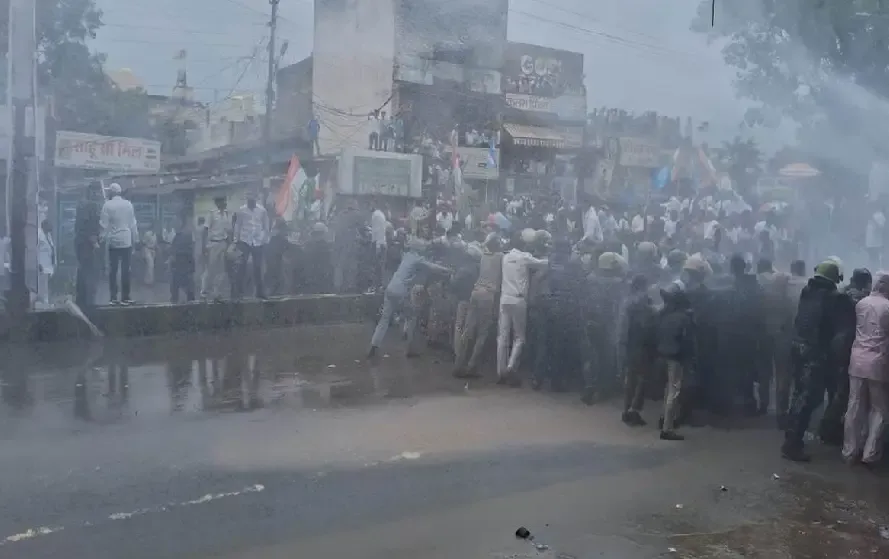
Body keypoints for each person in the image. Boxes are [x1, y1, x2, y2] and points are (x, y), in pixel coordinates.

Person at [782, 260, 844, 462]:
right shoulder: (833, 298)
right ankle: (792, 444)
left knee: (799, 394)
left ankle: (791, 438)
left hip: (797, 348)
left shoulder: (807, 292)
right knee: (810, 398)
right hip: (815, 353)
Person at [368, 238, 451, 358]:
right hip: (400, 291)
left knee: (384, 319)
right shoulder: (417, 259)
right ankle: (410, 347)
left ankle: (374, 346)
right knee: (412, 316)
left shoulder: (407, 255)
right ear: (419, 249)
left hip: (390, 288)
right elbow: (433, 267)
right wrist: (448, 270)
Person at [820, 267, 872, 445]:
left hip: (833, 343)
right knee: (844, 392)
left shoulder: (840, 292)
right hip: (848, 346)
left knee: (837, 389)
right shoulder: (860, 299)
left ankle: (830, 426)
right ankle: (828, 428)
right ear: (865, 282)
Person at [842, 273, 889, 467]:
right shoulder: (887, 307)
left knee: (854, 407)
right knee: (879, 410)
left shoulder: (861, 303)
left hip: (857, 360)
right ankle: (870, 453)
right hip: (878, 363)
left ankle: (849, 451)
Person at [497, 233, 548, 384]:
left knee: (502, 337)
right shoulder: (524, 257)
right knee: (519, 337)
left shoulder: (505, 257)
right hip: (519, 300)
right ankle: (511, 367)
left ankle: (500, 372)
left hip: (504, 298)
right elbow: (542, 263)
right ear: (524, 245)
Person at [453, 234, 503, 378]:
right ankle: (471, 366)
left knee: (468, 331)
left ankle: (458, 364)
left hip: (475, 293)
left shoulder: (483, 256)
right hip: (488, 296)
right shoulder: (500, 257)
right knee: (482, 333)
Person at [656, 282, 695, 441]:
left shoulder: (663, 315)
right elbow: (687, 341)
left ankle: (663, 419)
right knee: (674, 392)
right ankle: (667, 429)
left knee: (667, 390)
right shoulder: (684, 318)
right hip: (676, 358)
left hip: (662, 355)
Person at [618, 274, 657, 426]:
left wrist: (621, 344)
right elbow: (650, 323)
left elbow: (622, 326)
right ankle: (634, 410)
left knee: (630, 378)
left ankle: (626, 409)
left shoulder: (627, 301)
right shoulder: (645, 303)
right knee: (642, 379)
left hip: (629, 344)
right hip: (642, 346)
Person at [100, 182, 138, 305]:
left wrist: (100, 239)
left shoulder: (107, 205)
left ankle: (113, 297)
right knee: (126, 270)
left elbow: (104, 226)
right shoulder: (128, 204)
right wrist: (135, 240)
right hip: (126, 241)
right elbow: (133, 224)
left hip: (113, 242)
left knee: (113, 270)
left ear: (111, 192)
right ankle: (126, 297)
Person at [233, 193, 269, 299]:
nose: (251, 202)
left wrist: (264, 239)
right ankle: (239, 293)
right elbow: (237, 225)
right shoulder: (241, 210)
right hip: (244, 240)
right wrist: (236, 240)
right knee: (241, 267)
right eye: (249, 200)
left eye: (252, 200)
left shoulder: (262, 210)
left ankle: (260, 292)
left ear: (255, 200)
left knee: (258, 267)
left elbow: (266, 226)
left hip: (258, 241)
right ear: (247, 200)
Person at [74, 182, 103, 309]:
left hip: (80, 244)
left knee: (83, 271)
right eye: (97, 191)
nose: (98, 194)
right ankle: (89, 303)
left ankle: (81, 300)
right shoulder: (91, 206)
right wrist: (95, 243)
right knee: (90, 273)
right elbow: (90, 227)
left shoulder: (81, 205)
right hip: (88, 245)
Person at [204, 196, 232, 301]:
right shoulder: (211, 213)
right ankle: (204, 291)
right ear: (218, 202)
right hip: (213, 244)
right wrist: (204, 246)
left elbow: (227, 230)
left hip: (223, 243)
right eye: (223, 201)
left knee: (221, 270)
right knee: (211, 269)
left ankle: (217, 292)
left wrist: (230, 243)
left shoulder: (225, 214)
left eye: (225, 200)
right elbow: (205, 229)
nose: (225, 203)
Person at [169, 217, 196, 303]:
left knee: (179, 282)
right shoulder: (181, 234)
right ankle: (182, 299)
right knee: (181, 283)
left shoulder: (184, 234)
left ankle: (178, 299)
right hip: (182, 261)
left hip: (183, 261)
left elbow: (175, 249)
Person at [36, 219, 55, 308]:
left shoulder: (48, 235)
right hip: (42, 264)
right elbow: (35, 250)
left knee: (46, 285)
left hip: (48, 265)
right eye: (49, 225)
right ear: (44, 225)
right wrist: (38, 263)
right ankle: (43, 303)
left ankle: (46, 302)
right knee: (42, 285)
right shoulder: (38, 234)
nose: (51, 227)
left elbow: (51, 248)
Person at [371, 201, 388, 291]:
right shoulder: (381, 215)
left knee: (377, 266)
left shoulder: (376, 215)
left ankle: (377, 286)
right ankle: (380, 286)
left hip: (378, 243)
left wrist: (377, 246)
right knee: (381, 266)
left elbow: (378, 231)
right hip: (382, 243)